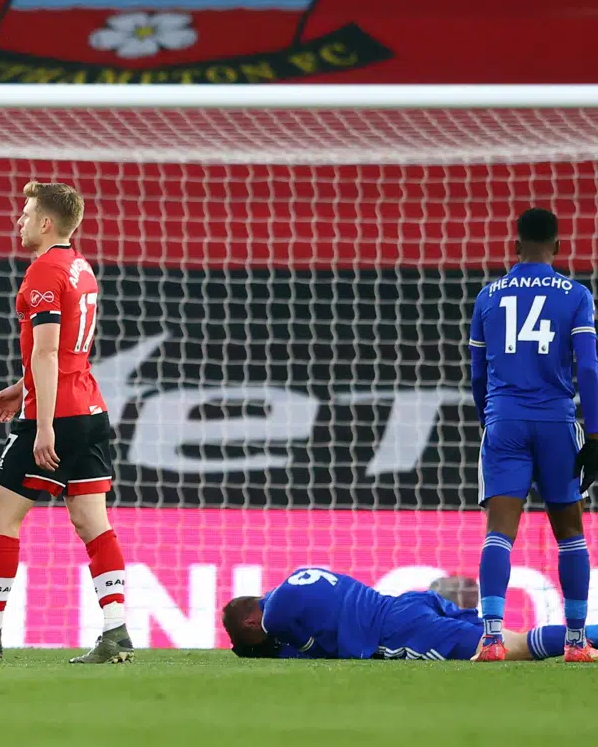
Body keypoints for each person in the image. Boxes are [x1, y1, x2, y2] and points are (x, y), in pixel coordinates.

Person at [0, 182, 133, 665]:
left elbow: (45, 351)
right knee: (92, 522)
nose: (18, 221)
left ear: (46, 223)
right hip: (89, 409)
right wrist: (20, 387)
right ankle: (117, 631)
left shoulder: (43, 270)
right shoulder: (80, 268)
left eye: (25, 214)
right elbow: (66, 353)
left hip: (56, 415)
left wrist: (41, 424)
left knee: (2, 517)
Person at [469, 207, 598, 662]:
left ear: (515, 244)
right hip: (557, 423)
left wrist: (491, 420)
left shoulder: (488, 296)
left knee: (499, 533)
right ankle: (578, 643)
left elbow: (477, 373)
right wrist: (596, 435)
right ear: (559, 247)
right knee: (571, 534)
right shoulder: (576, 295)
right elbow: (587, 366)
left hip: (505, 419)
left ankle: (491, 639)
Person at [223, 566, 598, 661]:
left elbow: (314, 653)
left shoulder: (273, 618)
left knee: (506, 647)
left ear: (252, 622)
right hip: (409, 602)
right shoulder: (291, 582)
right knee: (508, 636)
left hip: (399, 630)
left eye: (251, 639)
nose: (264, 641)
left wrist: (278, 648)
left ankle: (585, 638)